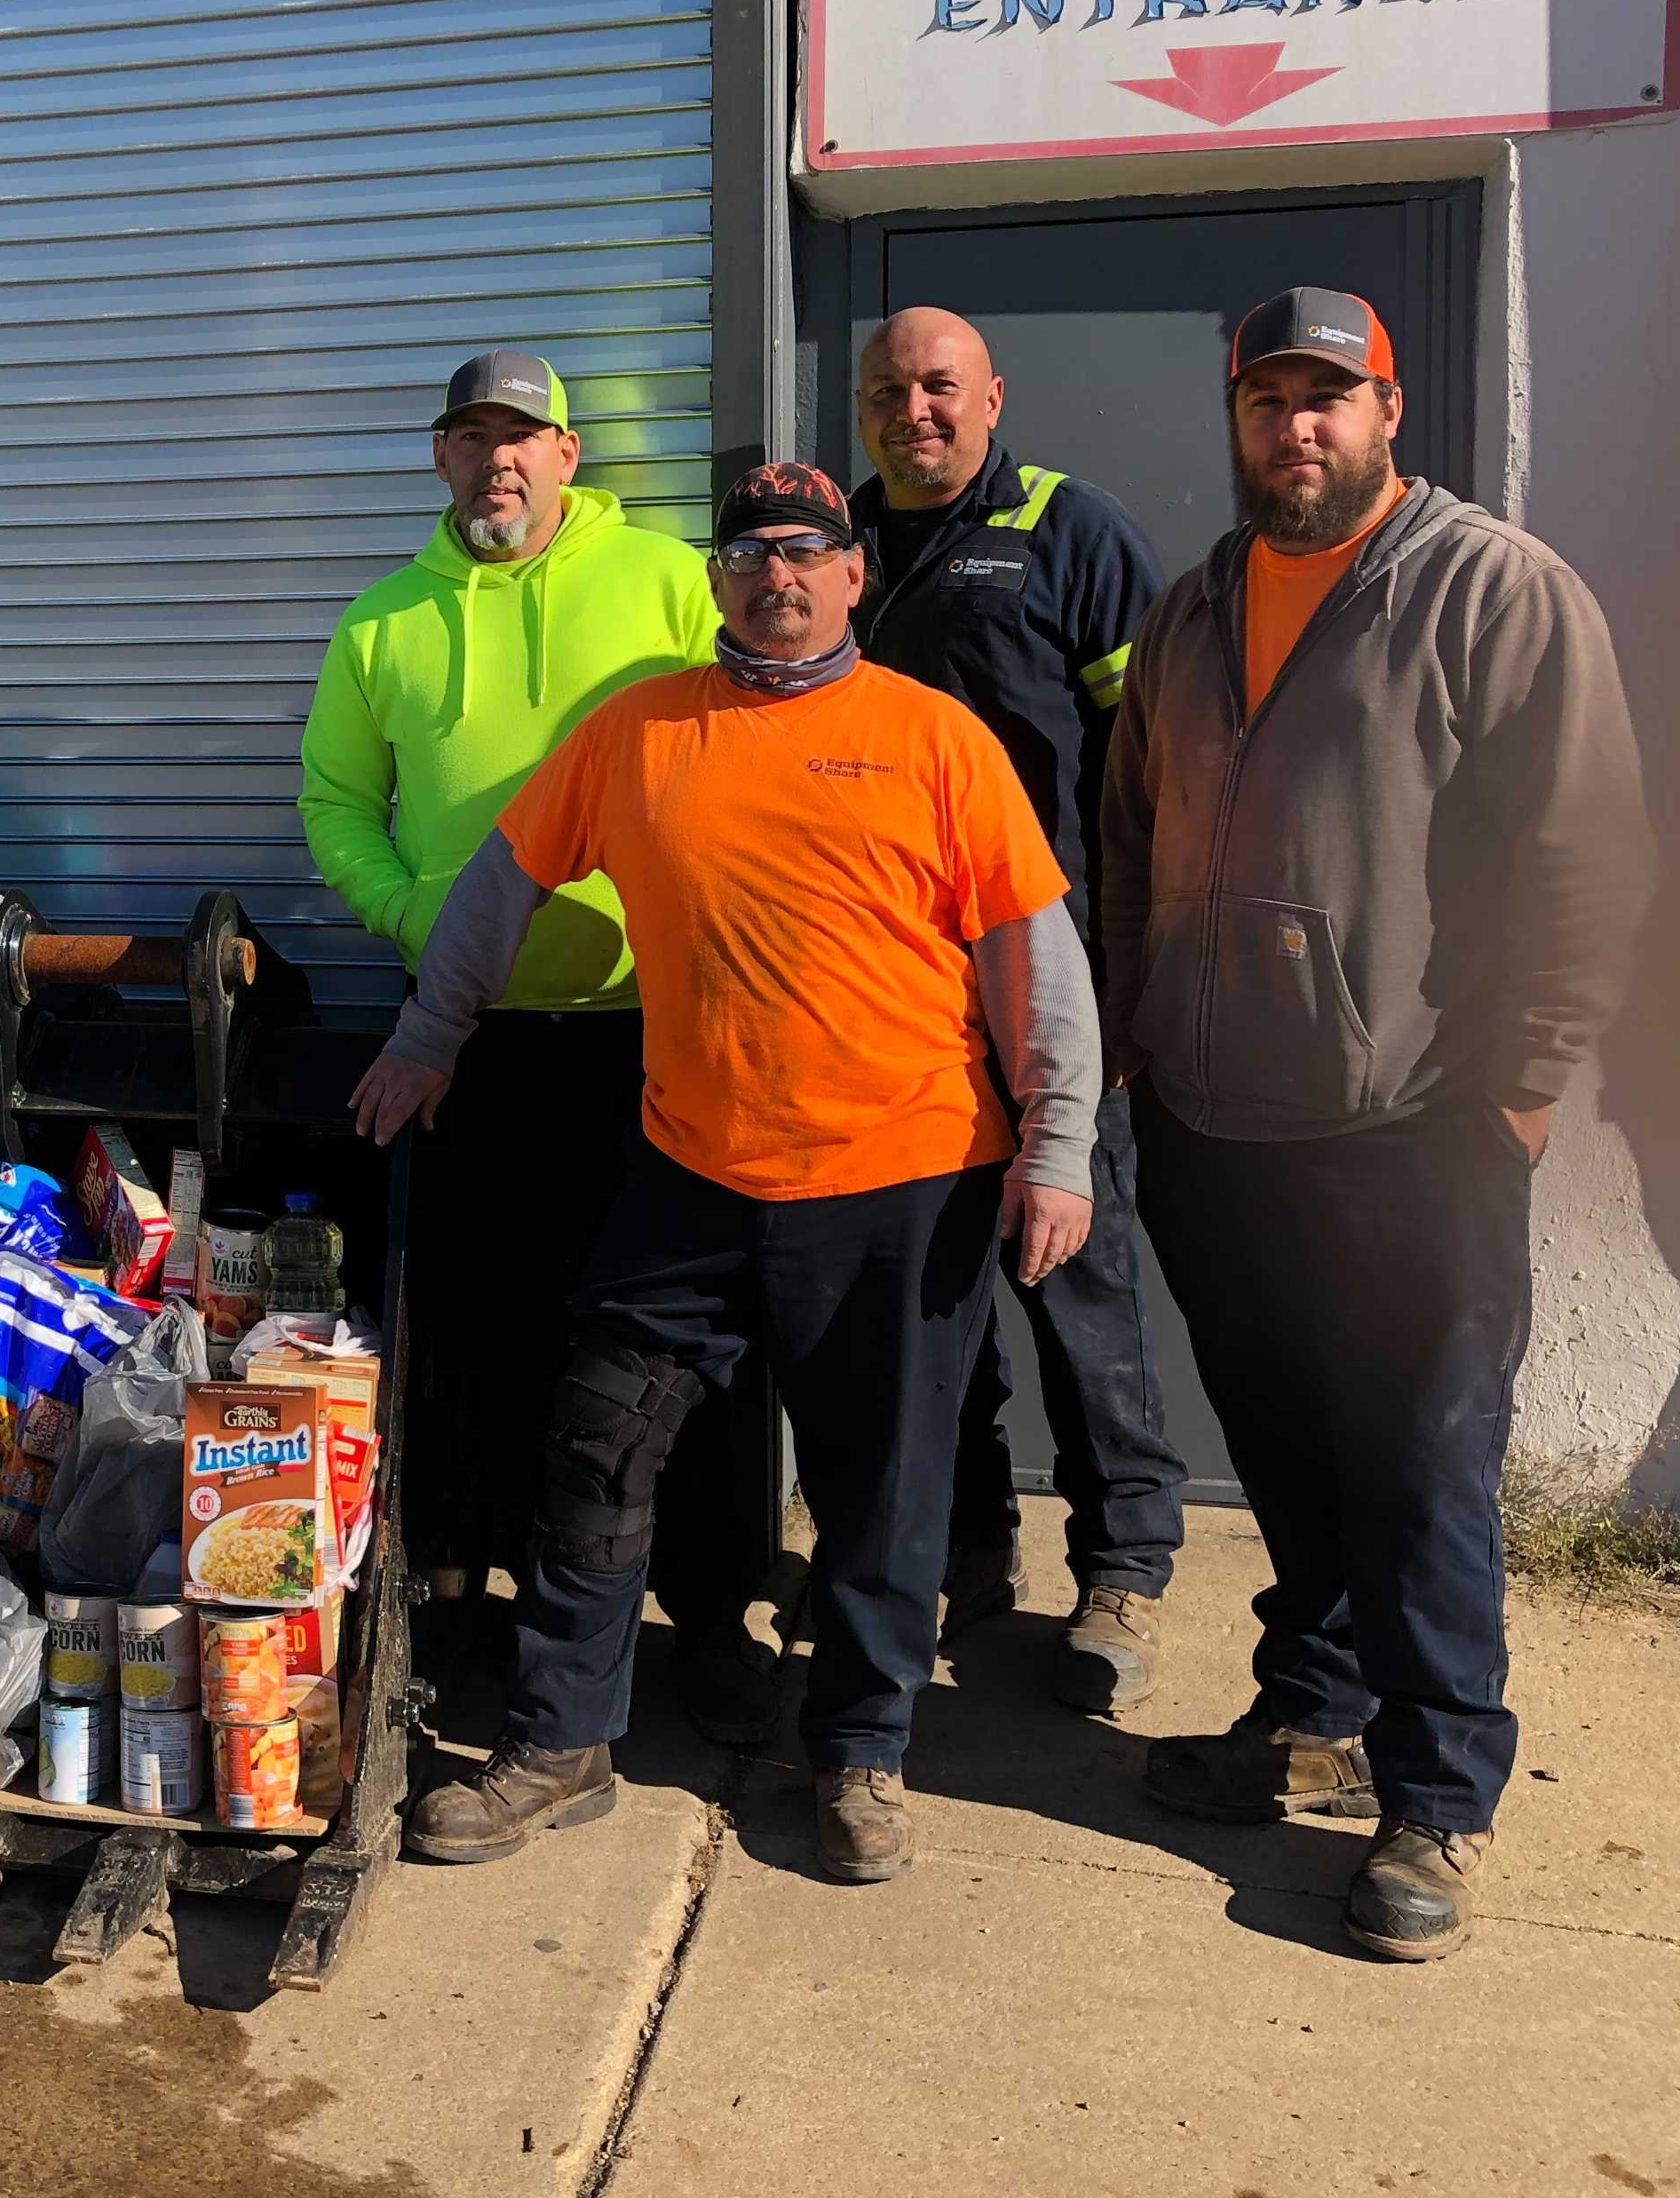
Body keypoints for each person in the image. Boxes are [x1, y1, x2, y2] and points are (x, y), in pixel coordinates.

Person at [358, 463, 1099, 1885]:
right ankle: (562, 1740)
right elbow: (499, 886)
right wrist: (428, 1035)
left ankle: (860, 1755)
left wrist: (1058, 1144)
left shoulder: (934, 738)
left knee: (884, 1487)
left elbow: (1031, 952)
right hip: (691, 1173)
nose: (779, 577)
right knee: (599, 1446)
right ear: (718, 581)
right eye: (752, 554)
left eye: (808, 552)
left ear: (852, 575)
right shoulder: (636, 732)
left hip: (904, 1179)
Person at [1103, 287, 1652, 1963]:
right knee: (1285, 1450)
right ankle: (1316, 1710)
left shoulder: (1493, 589)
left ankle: (1437, 1795)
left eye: (1327, 397)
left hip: (1412, 1124)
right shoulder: (1192, 610)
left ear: (1388, 411)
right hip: (1215, 1119)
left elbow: (1587, 854)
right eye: (1267, 398)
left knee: (1419, 1467)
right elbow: (1126, 834)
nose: (1296, 426)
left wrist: (1520, 1092)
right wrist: (1130, 1037)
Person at [295, 351, 730, 1696]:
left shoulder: (668, 582)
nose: (500, 459)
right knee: (474, 1335)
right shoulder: (384, 623)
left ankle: (711, 1623)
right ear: (440, 457)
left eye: (524, 436)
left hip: (652, 1034)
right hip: (463, 1041)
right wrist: (414, 916)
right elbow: (333, 804)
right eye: (473, 436)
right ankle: (461, 1614)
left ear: (569, 454)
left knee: (668, 1350)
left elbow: (742, 752)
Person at [847, 307, 1189, 1708]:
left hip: (1048, 988)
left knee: (1077, 1296)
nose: (914, 411)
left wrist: (1124, 978)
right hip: (893, 1004)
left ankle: (1126, 1569)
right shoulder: (839, 546)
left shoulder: (1068, 530)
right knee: (936, 1304)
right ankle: (968, 1551)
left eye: (940, 386)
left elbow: (1156, 771)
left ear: (993, 397)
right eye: (888, 391)